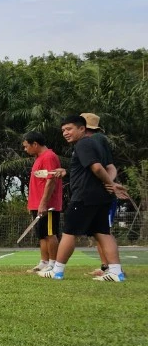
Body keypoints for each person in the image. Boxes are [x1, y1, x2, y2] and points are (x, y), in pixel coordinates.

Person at [43, 114, 127, 282]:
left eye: (69, 129)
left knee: (69, 233)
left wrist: (110, 182)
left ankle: (57, 271)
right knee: (103, 232)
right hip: (101, 197)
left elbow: (96, 168)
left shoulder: (83, 143)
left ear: (82, 128)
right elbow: (104, 167)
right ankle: (116, 272)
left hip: (84, 196)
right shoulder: (97, 144)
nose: (65, 133)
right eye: (63, 130)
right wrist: (111, 184)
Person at [80, 113, 121, 279]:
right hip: (99, 192)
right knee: (99, 231)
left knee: (104, 232)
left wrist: (108, 183)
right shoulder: (94, 141)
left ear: (83, 128)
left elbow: (102, 167)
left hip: (100, 195)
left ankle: (114, 269)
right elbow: (111, 166)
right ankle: (106, 267)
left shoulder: (96, 139)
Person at [22, 131, 62, 275]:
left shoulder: (49, 157)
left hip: (48, 205)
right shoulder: (39, 158)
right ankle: (44, 262)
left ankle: (53, 263)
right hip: (36, 204)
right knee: (42, 234)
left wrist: (43, 203)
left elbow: (51, 181)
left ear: (35, 144)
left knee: (50, 233)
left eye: (26, 146)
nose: (25, 150)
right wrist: (32, 204)